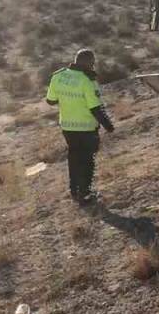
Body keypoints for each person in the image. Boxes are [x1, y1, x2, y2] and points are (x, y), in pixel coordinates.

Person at [45, 49, 115, 204]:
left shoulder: (58, 76)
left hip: (68, 127)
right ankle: (85, 193)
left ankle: (74, 190)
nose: (93, 65)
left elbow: (50, 100)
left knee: (73, 157)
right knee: (87, 160)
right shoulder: (87, 80)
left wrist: (66, 97)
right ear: (89, 63)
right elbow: (95, 108)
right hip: (87, 128)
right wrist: (108, 126)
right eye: (93, 62)